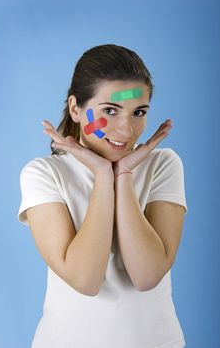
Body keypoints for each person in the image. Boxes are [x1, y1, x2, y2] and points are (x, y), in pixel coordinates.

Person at [18, 44, 188, 348]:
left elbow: (147, 276)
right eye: (110, 110)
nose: (125, 129)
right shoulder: (43, 174)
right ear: (75, 108)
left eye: (139, 112)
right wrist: (102, 175)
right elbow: (85, 279)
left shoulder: (163, 164)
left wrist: (122, 176)